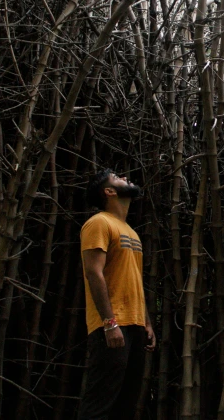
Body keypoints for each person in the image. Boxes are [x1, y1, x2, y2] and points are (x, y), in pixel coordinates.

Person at [77, 169, 156, 420]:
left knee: (125, 404)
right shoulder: (99, 223)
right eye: (117, 178)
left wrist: (146, 321)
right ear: (108, 192)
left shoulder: (130, 231)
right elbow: (93, 273)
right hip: (111, 325)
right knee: (100, 403)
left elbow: (132, 279)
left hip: (133, 326)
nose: (125, 178)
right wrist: (109, 323)